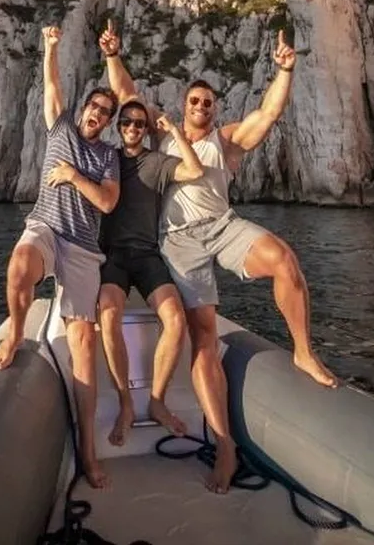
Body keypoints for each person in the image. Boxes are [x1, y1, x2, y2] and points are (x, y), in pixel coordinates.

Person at [100, 24, 338, 494]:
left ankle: (303, 351)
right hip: (179, 242)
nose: (201, 106)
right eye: (195, 101)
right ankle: (225, 446)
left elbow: (268, 114)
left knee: (284, 260)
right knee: (204, 336)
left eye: (208, 102)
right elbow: (126, 94)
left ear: (215, 109)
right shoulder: (162, 136)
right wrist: (112, 56)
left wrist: (285, 70)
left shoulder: (225, 141)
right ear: (184, 104)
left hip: (225, 226)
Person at [0, 25, 120, 490]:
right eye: (94, 107)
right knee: (19, 267)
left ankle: (89, 448)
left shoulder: (108, 156)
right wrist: (51, 47)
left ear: (108, 121)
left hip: (82, 245)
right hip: (46, 226)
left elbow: (107, 203)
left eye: (106, 112)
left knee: (83, 342)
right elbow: (51, 85)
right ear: (84, 109)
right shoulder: (61, 126)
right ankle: (16, 335)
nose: (97, 115)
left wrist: (72, 176)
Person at [96, 95, 204, 449]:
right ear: (118, 126)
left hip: (146, 256)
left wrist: (174, 130)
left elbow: (195, 171)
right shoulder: (108, 159)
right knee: (108, 314)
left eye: (139, 124)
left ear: (145, 129)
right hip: (113, 256)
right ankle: (126, 403)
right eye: (126, 122)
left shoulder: (157, 162)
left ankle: (157, 400)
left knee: (175, 319)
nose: (132, 127)